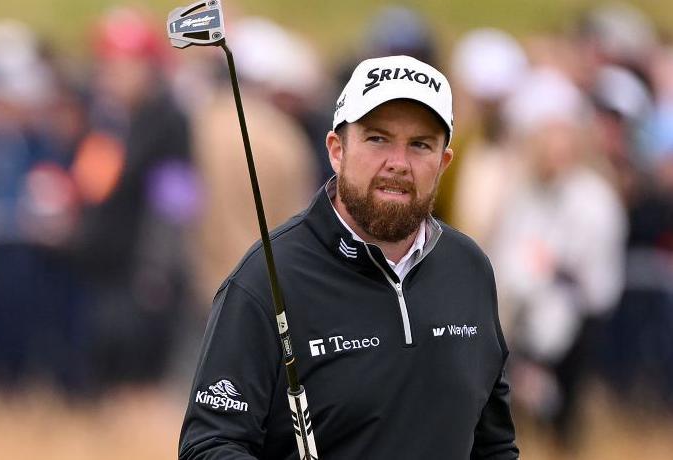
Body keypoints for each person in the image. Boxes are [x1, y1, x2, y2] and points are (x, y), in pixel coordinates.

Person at [178, 55, 519, 459]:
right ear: (336, 150)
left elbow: (494, 446)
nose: (398, 163)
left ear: (444, 162)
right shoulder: (267, 278)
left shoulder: (469, 269)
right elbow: (209, 446)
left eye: (420, 145)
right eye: (377, 139)